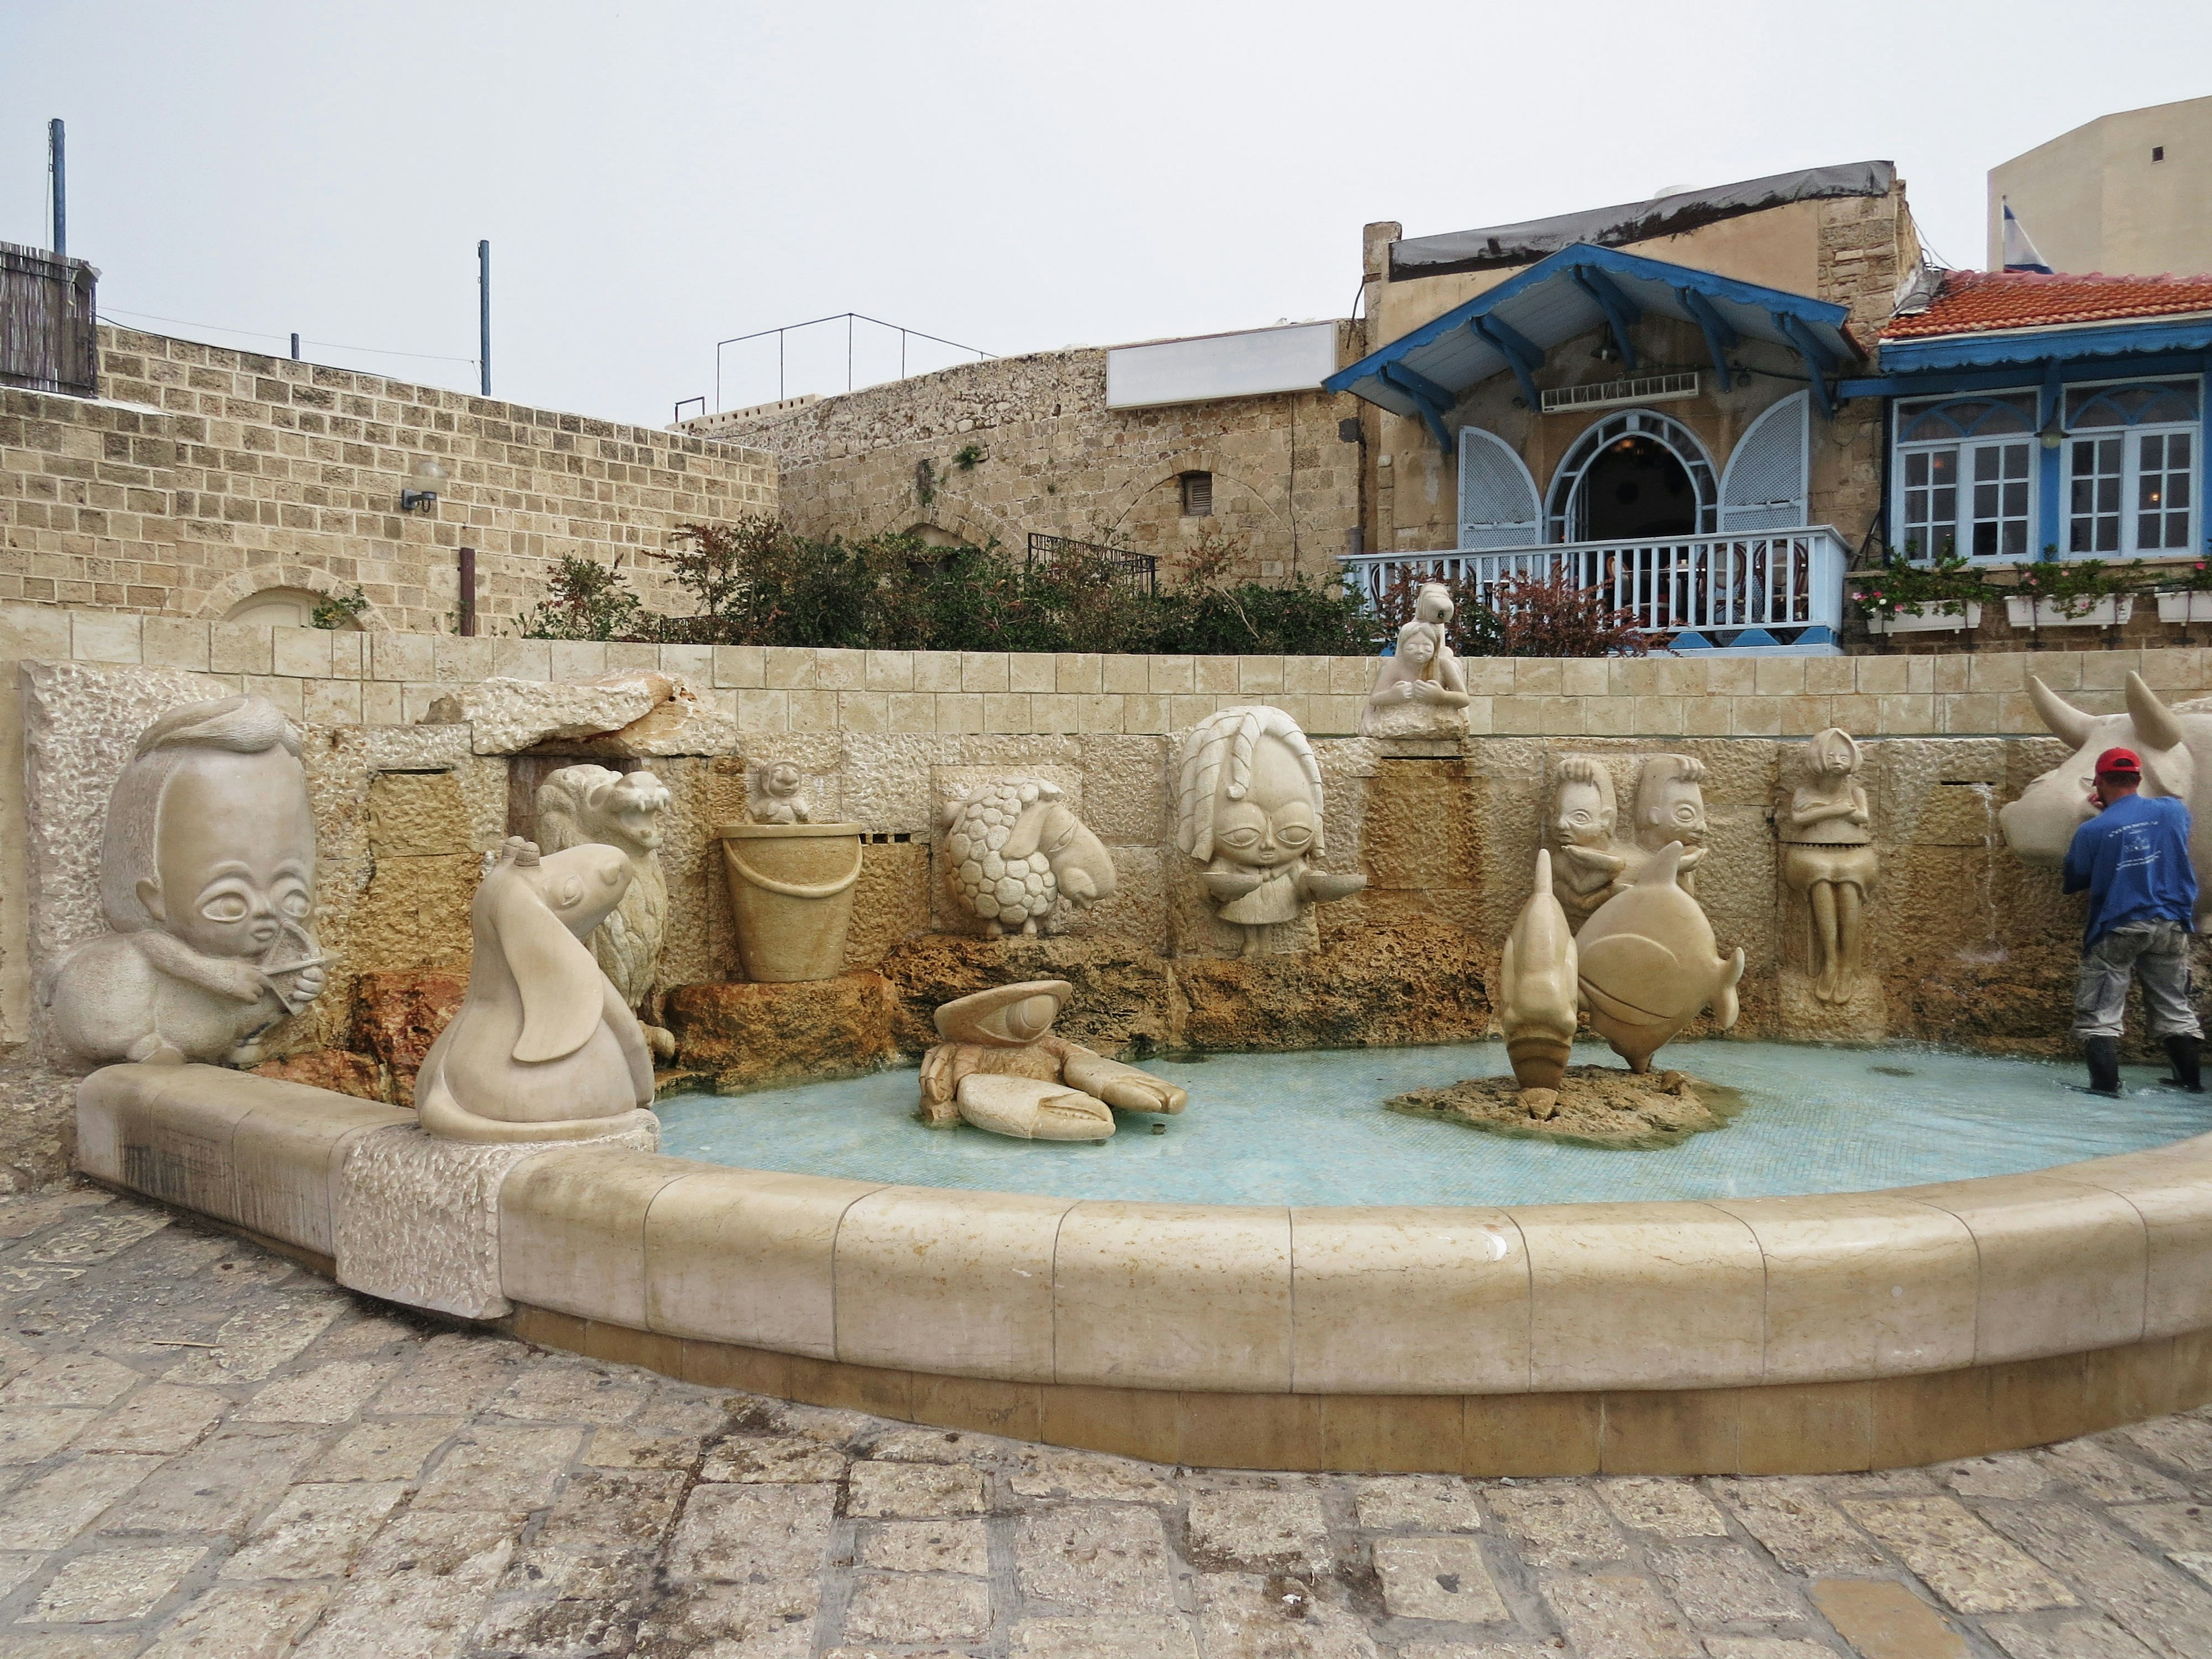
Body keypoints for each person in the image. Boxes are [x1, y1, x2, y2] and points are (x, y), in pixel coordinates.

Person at [2062, 747, 2202, 1096]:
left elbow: (2076, 878)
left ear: (2098, 781)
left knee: (2100, 1014)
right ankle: (2190, 1084)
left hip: (2119, 926)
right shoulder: (2173, 810)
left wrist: (2106, 816)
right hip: (2172, 924)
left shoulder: (2094, 830)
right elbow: (2164, 831)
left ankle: (2106, 1088)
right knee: (2175, 1008)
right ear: (2139, 779)